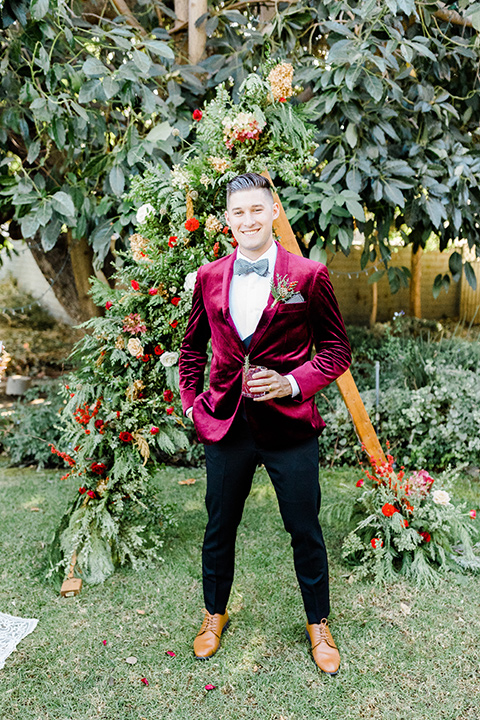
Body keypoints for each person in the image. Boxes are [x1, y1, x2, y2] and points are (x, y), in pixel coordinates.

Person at [179, 172, 351, 675]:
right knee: (219, 526)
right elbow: (192, 350)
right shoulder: (209, 277)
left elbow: (337, 351)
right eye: (238, 212)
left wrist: (294, 382)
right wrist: (192, 403)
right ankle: (215, 614)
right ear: (227, 220)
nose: (248, 220)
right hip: (227, 426)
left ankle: (318, 623)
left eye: (257, 209)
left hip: (289, 427)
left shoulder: (308, 275)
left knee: (305, 528)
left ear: (273, 210)